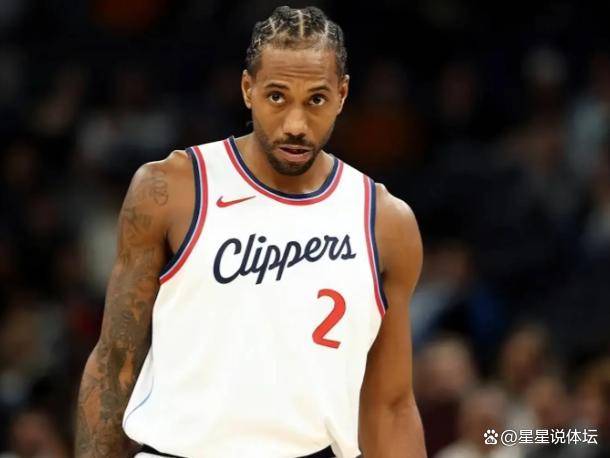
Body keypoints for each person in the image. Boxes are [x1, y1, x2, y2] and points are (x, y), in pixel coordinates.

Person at [75, 6, 426, 458]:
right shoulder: (170, 190)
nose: (295, 124)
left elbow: (391, 407)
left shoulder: (386, 222)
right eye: (277, 96)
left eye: (316, 99)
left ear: (342, 95)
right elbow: (114, 363)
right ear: (247, 89)